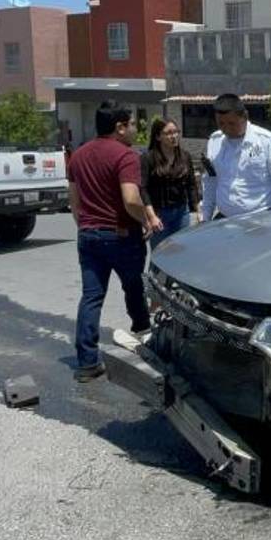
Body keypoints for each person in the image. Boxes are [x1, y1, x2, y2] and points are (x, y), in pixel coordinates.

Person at [66, 101, 152, 382]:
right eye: (132, 124)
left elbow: (74, 202)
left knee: (91, 297)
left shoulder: (78, 155)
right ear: (120, 127)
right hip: (121, 236)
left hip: (88, 235)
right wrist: (146, 220)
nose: (135, 129)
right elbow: (131, 199)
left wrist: (86, 227)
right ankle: (145, 338)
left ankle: (87, 363)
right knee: (134, 288)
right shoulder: (126, 156)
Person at [200, 94, 271, 220]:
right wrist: (205, 216)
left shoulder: (268, 141)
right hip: (227, 220)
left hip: (263, 219)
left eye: (232, 123)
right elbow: (210, 182)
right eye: (221, 124)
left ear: (245, 116)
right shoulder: (215, 141)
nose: (226, 129)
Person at [140, 118, 200, 247]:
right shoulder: (148, 158)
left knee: (182, 250)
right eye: (168, 133)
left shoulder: (185, 156)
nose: (174, 136)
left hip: (182, 212)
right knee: (161, 252)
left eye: (176, 132)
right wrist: (151, 216)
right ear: (158, 137)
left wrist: (197, 211)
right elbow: (143, 189)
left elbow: (191, 185)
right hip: (159, 214)